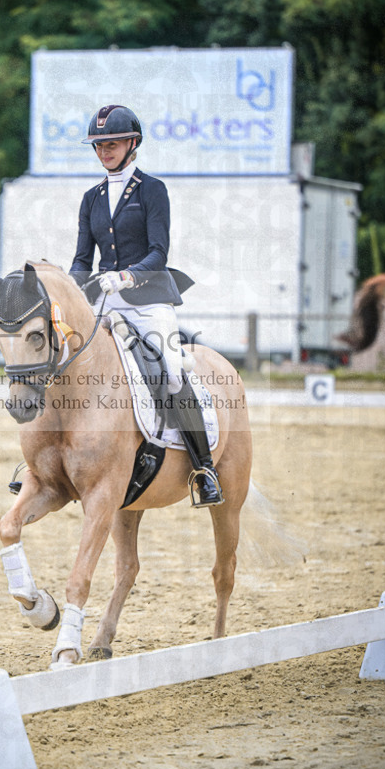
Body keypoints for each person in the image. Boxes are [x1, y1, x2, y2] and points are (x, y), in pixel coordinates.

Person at [69, 104, 223, 507]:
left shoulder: (152, 190)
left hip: (148, 298)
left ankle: (204, 468)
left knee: (171, 371)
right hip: (104, 300)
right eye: (99, 145)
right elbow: (83, 258)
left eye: (112, 144)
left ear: (132, 144)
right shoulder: (91, 198)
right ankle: (49, 462)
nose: (104, 151)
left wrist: (127, 276)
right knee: (69, 361)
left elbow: (158, 252)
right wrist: (71, 286)